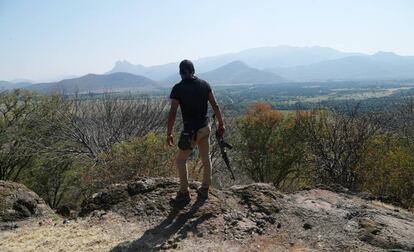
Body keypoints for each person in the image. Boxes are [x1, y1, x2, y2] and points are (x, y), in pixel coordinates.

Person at [167, 59, 225, 204]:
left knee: (181, 160)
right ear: (193, 70)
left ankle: (184, 193)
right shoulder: (205, 84)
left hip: (191, 131)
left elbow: (173, 112)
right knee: (206, 158)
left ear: (181, 72)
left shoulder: (178, 88)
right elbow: (215, 105)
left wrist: (169, 133)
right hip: (206, 127)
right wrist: (221, 124)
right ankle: (204, 189)